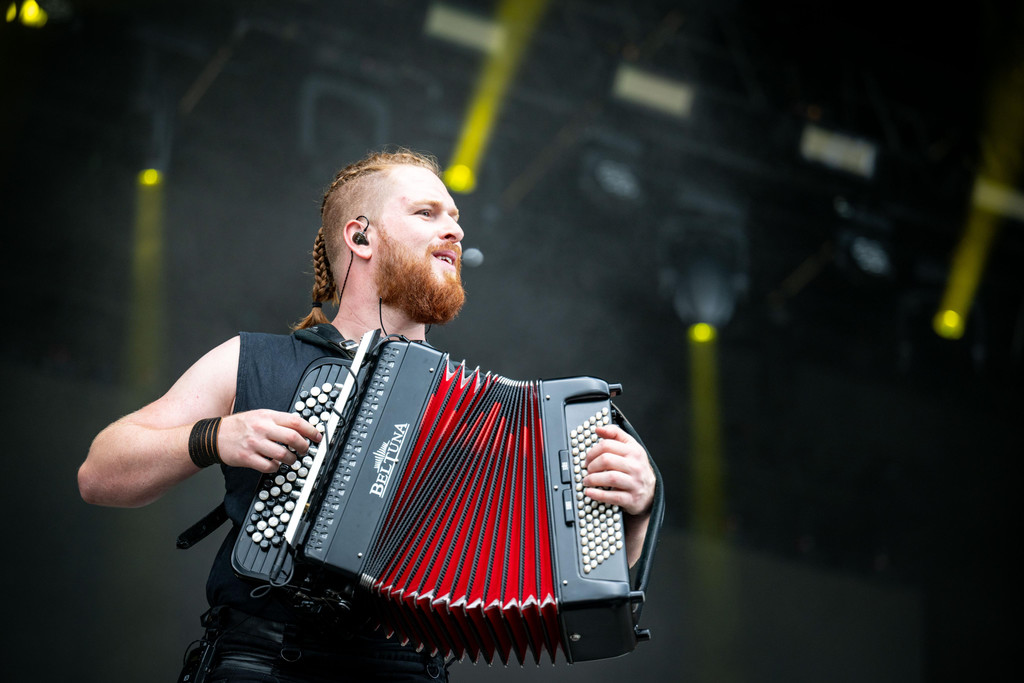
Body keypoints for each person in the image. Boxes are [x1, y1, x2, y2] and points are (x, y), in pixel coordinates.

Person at [78, 149, 657, 682]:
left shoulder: (487, 414)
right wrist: (214, 436)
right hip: (263, 661)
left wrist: (629, 515)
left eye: (455, 218)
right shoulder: (254, 360)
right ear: (360, 236)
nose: (455, 230)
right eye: (427, 213)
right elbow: (99, 475)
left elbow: (557, 579)